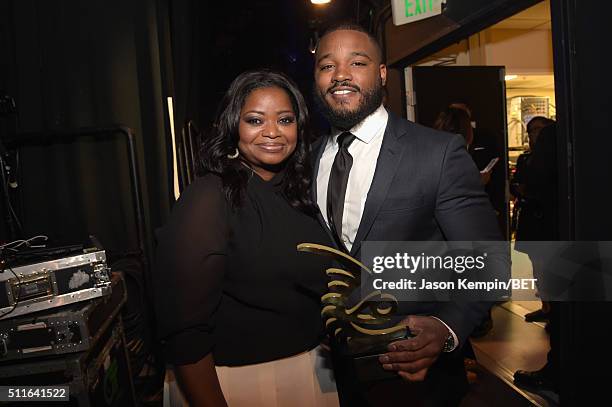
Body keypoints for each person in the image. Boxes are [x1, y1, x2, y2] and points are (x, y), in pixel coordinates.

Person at [312, 23, 506, 406]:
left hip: (419, 377)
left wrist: (446, 327)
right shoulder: (309, 156)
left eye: (358, 62)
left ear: (382, 74)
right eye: (326, 66)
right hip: (335, 375)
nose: (341, 76)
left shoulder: (438, 153)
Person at [153, 70, 338, 407]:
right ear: (232, 125)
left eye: (285, 119)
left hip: (310, 373)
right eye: (255, 120)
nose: (272, 132)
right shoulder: (209, 197)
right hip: (238, 383)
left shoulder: (297, 192)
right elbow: (184, 331)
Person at [513, 123, 560, 393]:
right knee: (539, 273)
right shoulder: (526, 158)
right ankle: (548, 308)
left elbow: (537, 185)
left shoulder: (550, 147)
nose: (535, 137)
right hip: (537, 225)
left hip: (550, 229)